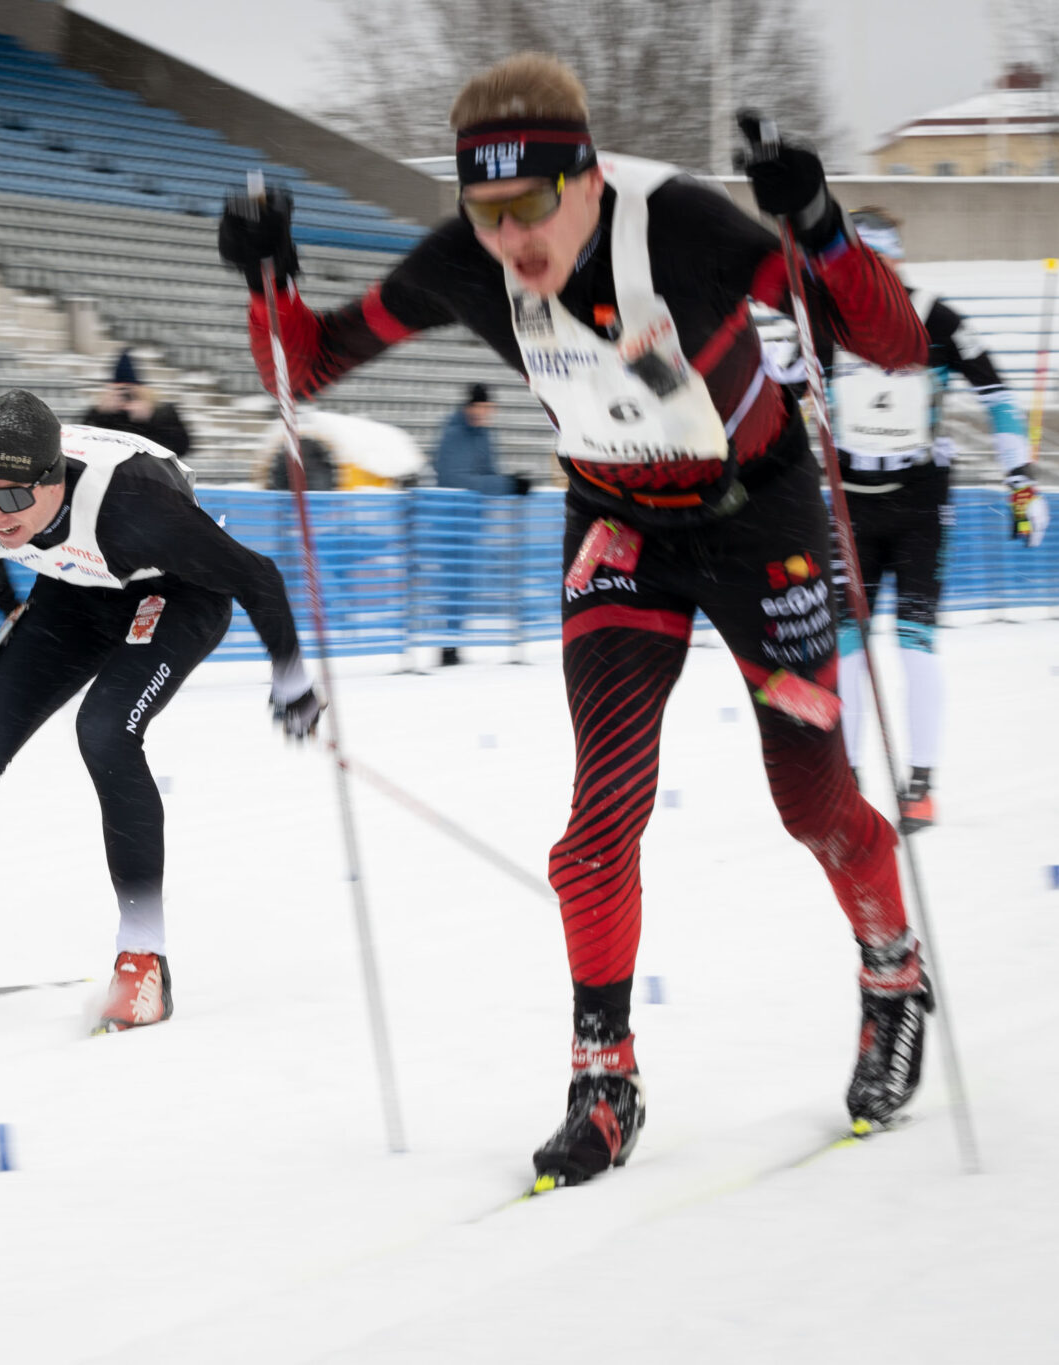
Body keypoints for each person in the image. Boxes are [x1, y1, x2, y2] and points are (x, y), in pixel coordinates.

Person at [219, 54, 932, 1186]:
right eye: (485, 211)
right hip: (619, 531)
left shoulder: (684, 227)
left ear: (586, 178)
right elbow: (299, 369)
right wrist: (266, 280)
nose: (510, 239)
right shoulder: (467, 259)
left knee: (807, 797)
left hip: (762, 526)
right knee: (596, 817)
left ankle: (891, 972)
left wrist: (819, 226)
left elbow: (890, 345)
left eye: (530, 206)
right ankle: (603, 1078)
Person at [0, 389, 321, 1032]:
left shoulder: (135, 507)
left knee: (106, 731)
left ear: (53, 483)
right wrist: (11, 610)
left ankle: (144, 959)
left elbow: (259, 577)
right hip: (76, 592)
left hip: (174, 592)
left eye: (14, 498)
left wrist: (291, 682)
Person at [828, 207, 1049, 833]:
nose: (871, 278)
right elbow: (777, 392)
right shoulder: (823, 319)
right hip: (850, 502)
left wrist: (1021, 482)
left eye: (881, 265)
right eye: (858, 266)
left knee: (915, 641)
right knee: (848, 646)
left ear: (897, 264)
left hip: (921, 503)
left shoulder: (938, 317)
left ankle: (920, 784)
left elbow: (997, 396)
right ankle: (848, 781)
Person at [431, 383, 531, 664]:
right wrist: (507, 484)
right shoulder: (453, 435)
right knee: (452, 583)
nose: (486, 414)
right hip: (449, 523)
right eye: (482, 408)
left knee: (463, 584)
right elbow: (457, 481)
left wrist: (510, 481)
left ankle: (453, 645)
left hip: (470, 522)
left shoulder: (484, 436)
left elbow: (488, 474)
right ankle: (447, 647)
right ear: (470, 407)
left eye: (490, 409)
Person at [80, 350, 192, 458]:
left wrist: (149, 420)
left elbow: (181, 448)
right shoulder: (100, 412)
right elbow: (85, 446)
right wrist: (101, 415)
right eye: (119, 390)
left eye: (129, 389)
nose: (125, 396)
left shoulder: (161, 412)